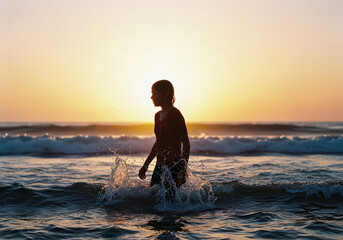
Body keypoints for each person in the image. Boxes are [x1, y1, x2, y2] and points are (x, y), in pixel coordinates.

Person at [138, 80, 190, 189]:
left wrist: (183, 170)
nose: (151, 97)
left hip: (174, 166)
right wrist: (146, 165)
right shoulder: (157, 116)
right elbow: (158, 143)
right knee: (153, 196)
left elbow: (186, 143)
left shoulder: (175, 115)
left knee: (170, 202)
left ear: (165, 94)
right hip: (159, 166)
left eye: (155, 94)